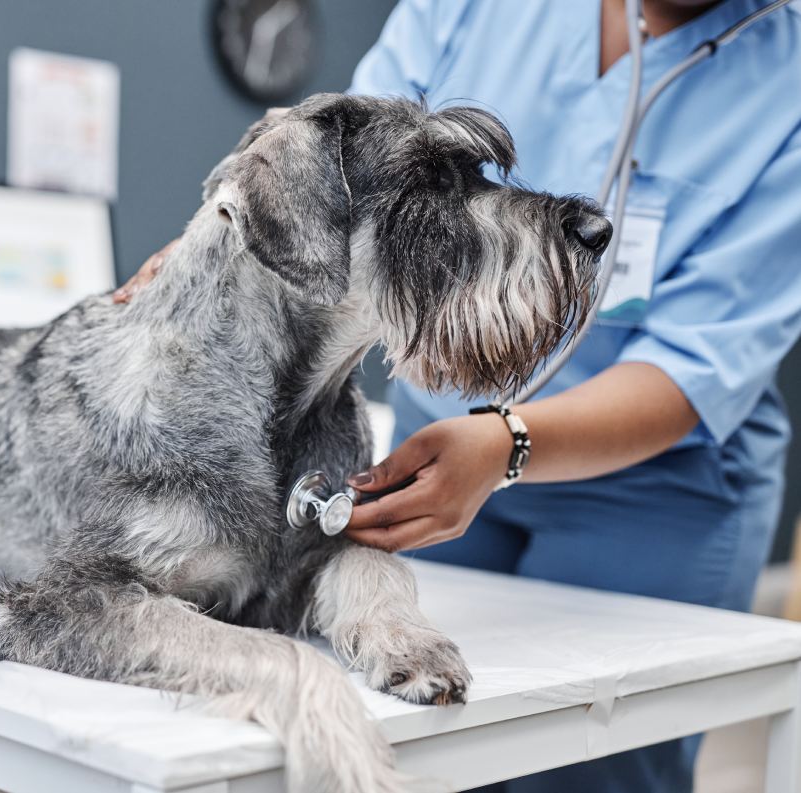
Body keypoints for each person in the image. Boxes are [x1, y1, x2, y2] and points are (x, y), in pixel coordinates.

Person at [117, 1, 801, 790]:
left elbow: (695, 363)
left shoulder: (785, 84)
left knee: (593, 766)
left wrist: (506, 443)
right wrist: (205, 250)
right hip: (432, 455)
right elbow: (336, 164)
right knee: (425, 743)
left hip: (649, 494)